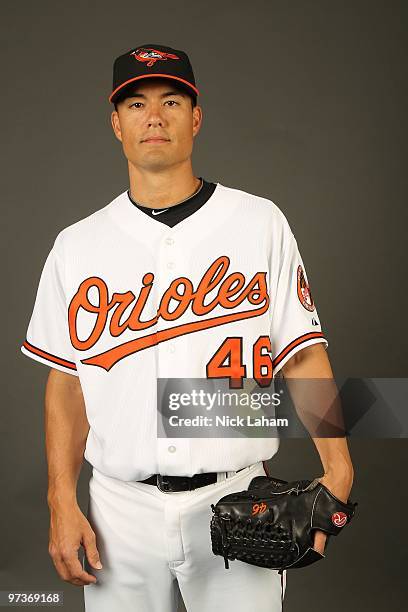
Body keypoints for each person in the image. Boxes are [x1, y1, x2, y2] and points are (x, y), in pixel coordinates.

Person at [20, 44, 354, 611]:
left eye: (171, 100)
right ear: (116, 124)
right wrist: (61, 501)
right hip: (117, 512)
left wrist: (339, 467)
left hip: (238, 495)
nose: (154, 115)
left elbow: (301, 355)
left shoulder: (258, 222)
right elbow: (67, 383)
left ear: (195, 118)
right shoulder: (76, 246)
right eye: (136, 103)